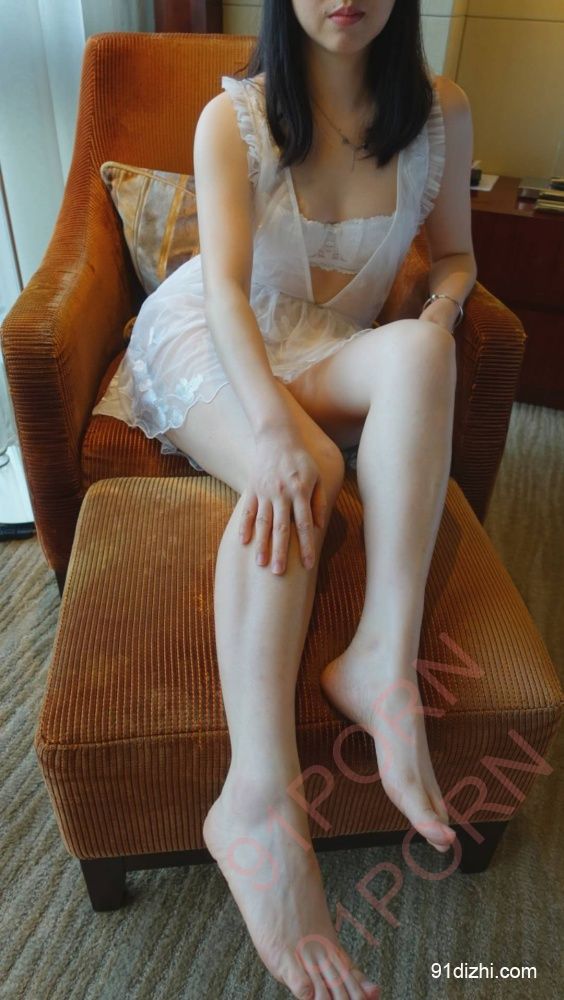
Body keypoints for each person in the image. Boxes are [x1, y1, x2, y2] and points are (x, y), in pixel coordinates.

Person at [93, 1, 477, 996]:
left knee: (424, 354)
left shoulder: (440, 112)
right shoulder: (238, 119)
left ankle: (382, 659)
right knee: (311, 467)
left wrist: (438, 308)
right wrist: (271, 431)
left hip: (325, 342)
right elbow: (223, 291)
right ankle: (259, 798)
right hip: (216, 338)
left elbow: (457, 256)